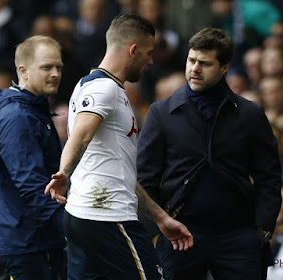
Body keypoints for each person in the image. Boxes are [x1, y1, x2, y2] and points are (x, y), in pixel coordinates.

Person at [44, 14, 193, 280]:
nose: (150, 61)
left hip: (83, 218)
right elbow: (81, 136)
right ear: (133, 49)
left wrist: (160, 218)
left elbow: (120, 173)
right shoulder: (104, 89)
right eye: (148, 53)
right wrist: (64, 172)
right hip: (108, 218)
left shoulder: (88, 86)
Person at [137, 27, 282, 280]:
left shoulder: (250, 115)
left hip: (238, 235)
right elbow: (144, 178)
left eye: (205, 63)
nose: (195, 69)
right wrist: (156, 230)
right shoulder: (161, 113)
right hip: (178, 233)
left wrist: (261, 230)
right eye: (191, 61)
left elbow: (269, 177)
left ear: (224, 67)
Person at [0, 35, 67, 279]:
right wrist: (69, 228)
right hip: (28, 240)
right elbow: (32, 185)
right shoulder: (18, 117)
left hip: (33, 237)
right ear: (23, 70)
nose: (55, 74)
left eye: (59, 67)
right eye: (46, 67)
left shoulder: (31, 109)